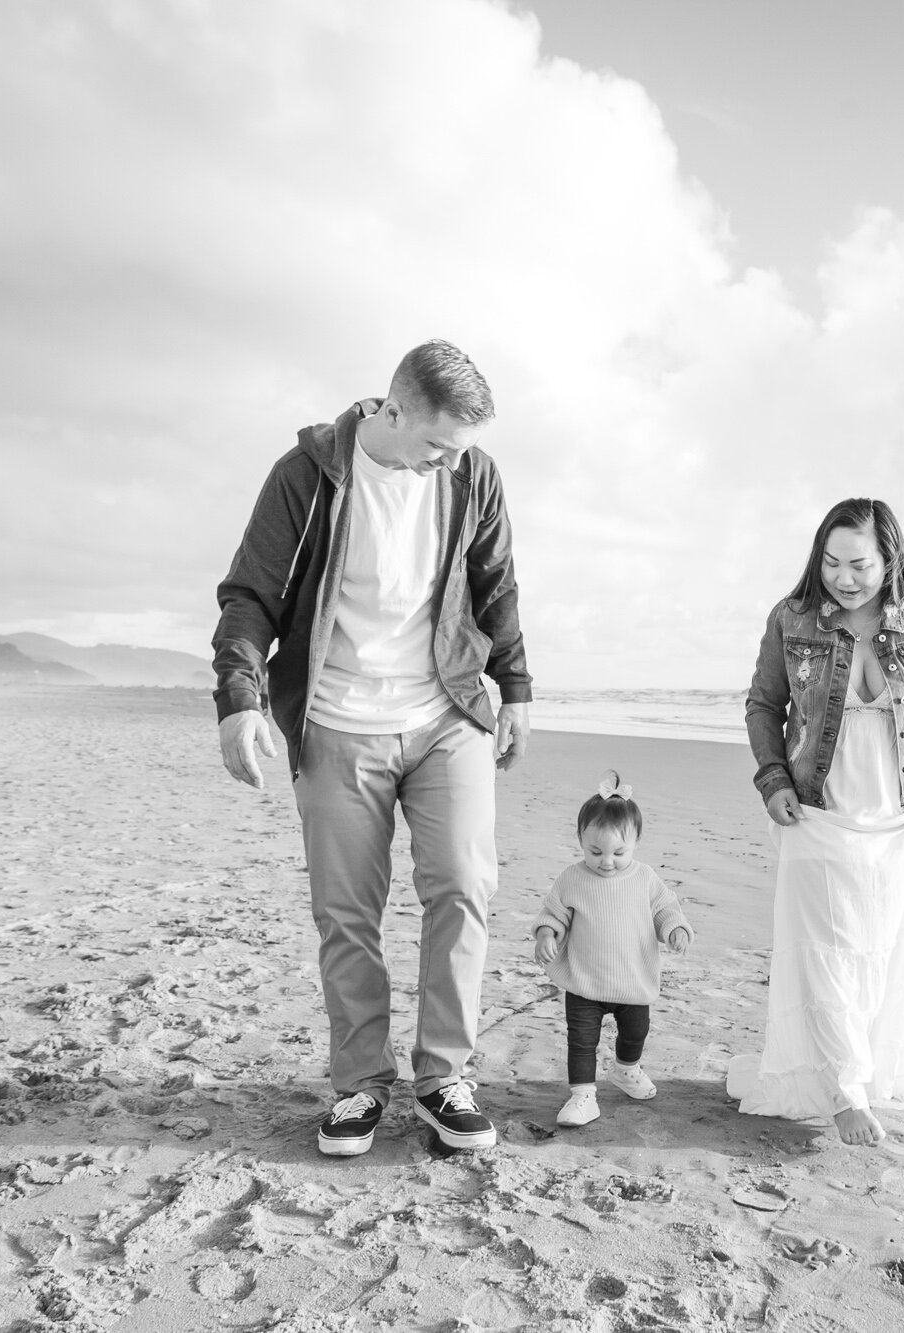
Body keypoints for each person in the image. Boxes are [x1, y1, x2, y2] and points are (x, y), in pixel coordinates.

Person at [210, 339, 531, 1157]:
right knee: (347, 912)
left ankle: (444, 1077)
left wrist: (517, 688)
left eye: (459, 450)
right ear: (392, 411)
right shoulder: (306, 475)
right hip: (337, 720)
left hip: (446, 711)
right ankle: (359, 1084)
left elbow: (495, 582)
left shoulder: (472, 474)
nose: (448, 463)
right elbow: (250, 595)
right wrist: (240, 702)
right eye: (437, 445)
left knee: (464, 885)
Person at [728, 498, 904, 1146]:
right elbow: (763, 705)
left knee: (879, 951)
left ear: (890, 559)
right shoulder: (792, 619)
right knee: (823, 950)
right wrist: (774, 779)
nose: (843, 577)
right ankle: (845, 1092)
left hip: (899, 822)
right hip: (815, 813)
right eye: (831, 562)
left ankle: (859, 1072)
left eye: (859, 564)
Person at [532, 771, 693, 1127]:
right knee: (581, 1041)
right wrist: (546, 934)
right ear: (580, 840)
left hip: (632, 980)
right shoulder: (573, 877)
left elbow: (665, 908)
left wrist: (675, 929)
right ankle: (582, 1095)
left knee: (636, 1031)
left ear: (636, 841)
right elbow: (554, 913)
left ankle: (625, 1069)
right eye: (595, 852)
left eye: (619, 852)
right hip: (584, 981)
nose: (606, 861)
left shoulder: (644, 878)